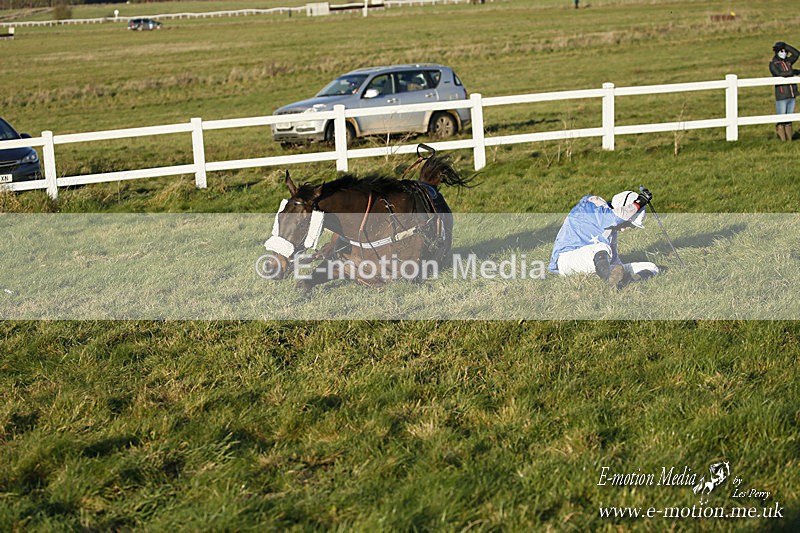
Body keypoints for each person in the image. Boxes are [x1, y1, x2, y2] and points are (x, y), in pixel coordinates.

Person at [549, 188, 660, 288]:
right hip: (567, 261)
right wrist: (639, 203)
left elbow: (616, 264)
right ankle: (609, 283)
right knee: (602, 248)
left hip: (595, 268)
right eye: (628, 224)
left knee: (652, 267)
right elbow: (615, 217)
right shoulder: (591, 205)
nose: (626, 228)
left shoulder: (611, 231)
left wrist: (624, 271)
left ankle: (625, 284)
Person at [769, 41, 800, 141]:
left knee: (789, 119)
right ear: (777, 52)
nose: (784, 53)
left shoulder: (788, 62)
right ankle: (782, 139)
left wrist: (786, 46)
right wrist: (793, 72)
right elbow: (779, 74)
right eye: (781, 51)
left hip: (791, 94)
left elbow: (796, 54)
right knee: (781, 119)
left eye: (785, 51)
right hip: (782, 95)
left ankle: (789, 140)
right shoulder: (773, 64)